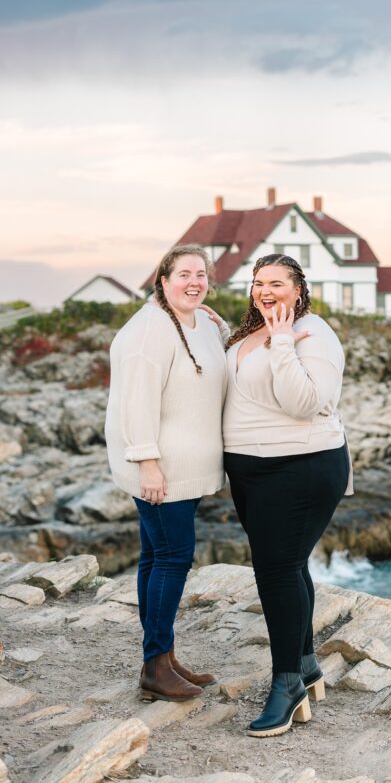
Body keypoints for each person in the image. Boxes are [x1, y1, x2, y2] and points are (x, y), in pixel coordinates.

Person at [208, 253, 352, 738]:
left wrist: (284, 341)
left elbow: (305, 402)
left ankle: (286, 685)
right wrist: (204, 329)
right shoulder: (249, 332)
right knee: (288, 566)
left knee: (274, 572)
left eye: (276, 282)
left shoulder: (314, 334)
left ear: (298, 289)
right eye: (257, 282)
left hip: (302, 468)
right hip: (250, 471)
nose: (265, 290)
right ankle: (307, 665)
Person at [105, 244, 228, 702]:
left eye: (201, 274)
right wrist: (148, 464)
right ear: (163, 279)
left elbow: (220, 366)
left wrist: (221, 325)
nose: (194, 282)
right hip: (162, 471)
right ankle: (155, 666)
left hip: (187, 466)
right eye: (184, 275)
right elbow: (136, 404)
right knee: (173, 557)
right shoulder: (148, 332)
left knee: (155, 556)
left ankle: (164, 656)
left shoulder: (200, 323)